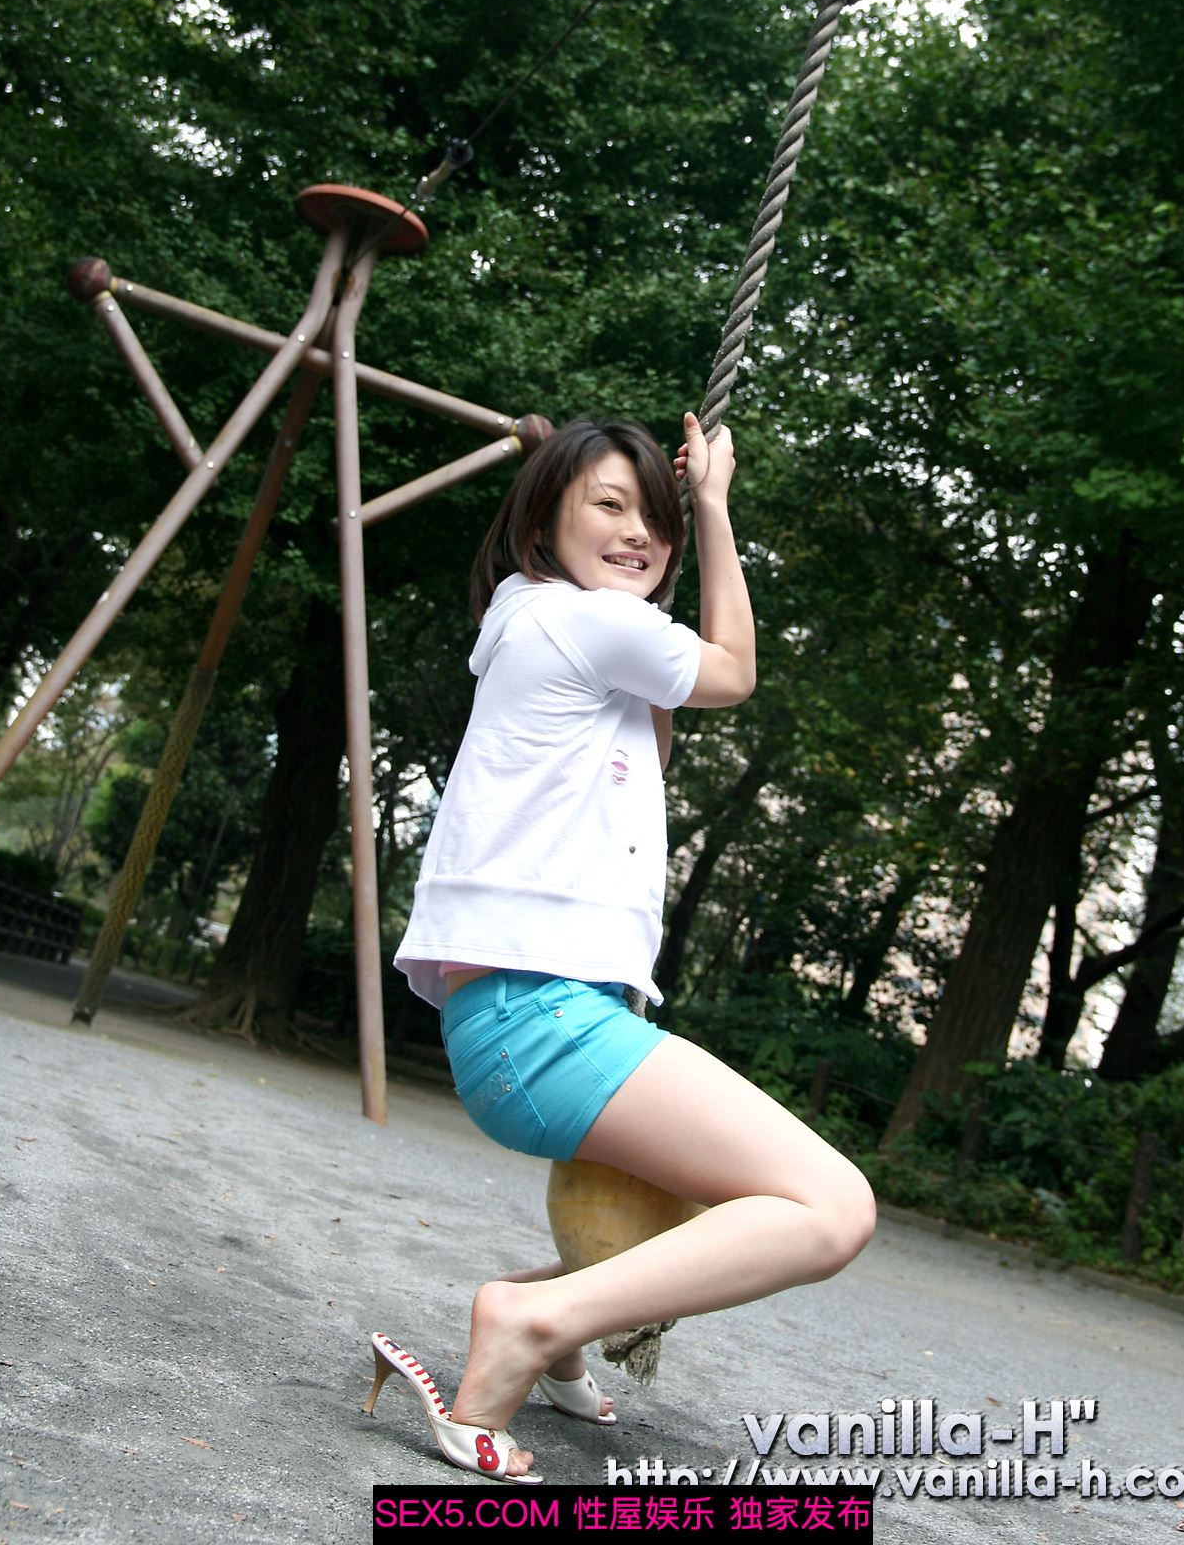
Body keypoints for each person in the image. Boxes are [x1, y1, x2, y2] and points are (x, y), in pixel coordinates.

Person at [366, 412, 875, 1481]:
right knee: (831, 1208)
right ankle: (527, 1323)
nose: (639, 531)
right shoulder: (577, 618)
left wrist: (661, 561)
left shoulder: (536, 624)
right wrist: (712, 507)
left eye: (656, 518)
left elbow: (662, 723)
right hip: (540, 1018)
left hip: (533, 1017)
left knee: (708, 1215)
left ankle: (557, 1323)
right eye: (608, 504)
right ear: (540, 521)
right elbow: (730, 670)